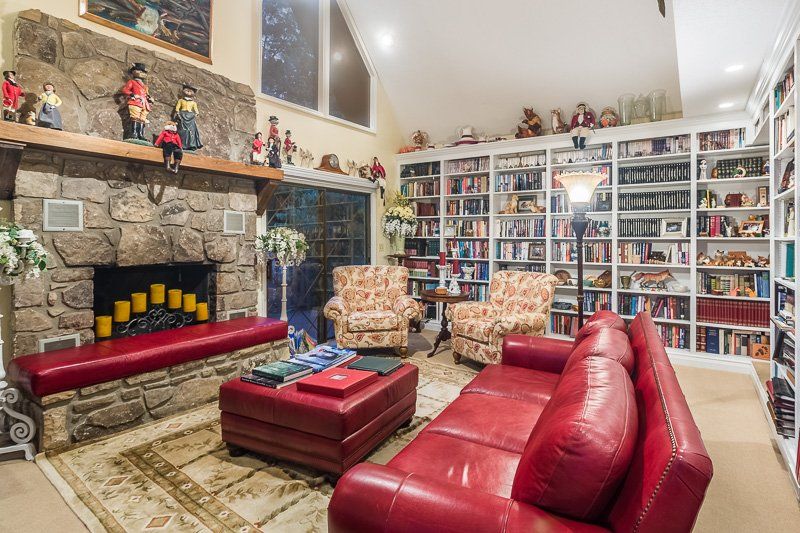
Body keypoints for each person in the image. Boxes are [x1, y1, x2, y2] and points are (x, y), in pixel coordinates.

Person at [121, 63, 153, 141]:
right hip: (136, 102)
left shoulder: (145, 86)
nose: (141, 72)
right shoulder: (132, 82)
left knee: (142, 119)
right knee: (135, 117)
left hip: (144, 104)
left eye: (142, 71)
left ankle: (141, 134)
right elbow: (125, 90)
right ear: (134, 72)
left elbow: (146, 94)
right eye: (139, 70)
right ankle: (134, 133)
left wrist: (150, 99)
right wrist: (132, 94)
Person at [174, 82, 203, 150]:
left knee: (191, 131)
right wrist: (178, 113)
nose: (189, 91)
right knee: (182, 130)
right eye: (187, 89)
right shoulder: (181, 100)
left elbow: (196, 110)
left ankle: (191, 145)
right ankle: (180, 144)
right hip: (182, 115)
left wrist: (196, 114)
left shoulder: (193, 103)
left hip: (190, 117)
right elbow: (177, 108)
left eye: (191, 90)